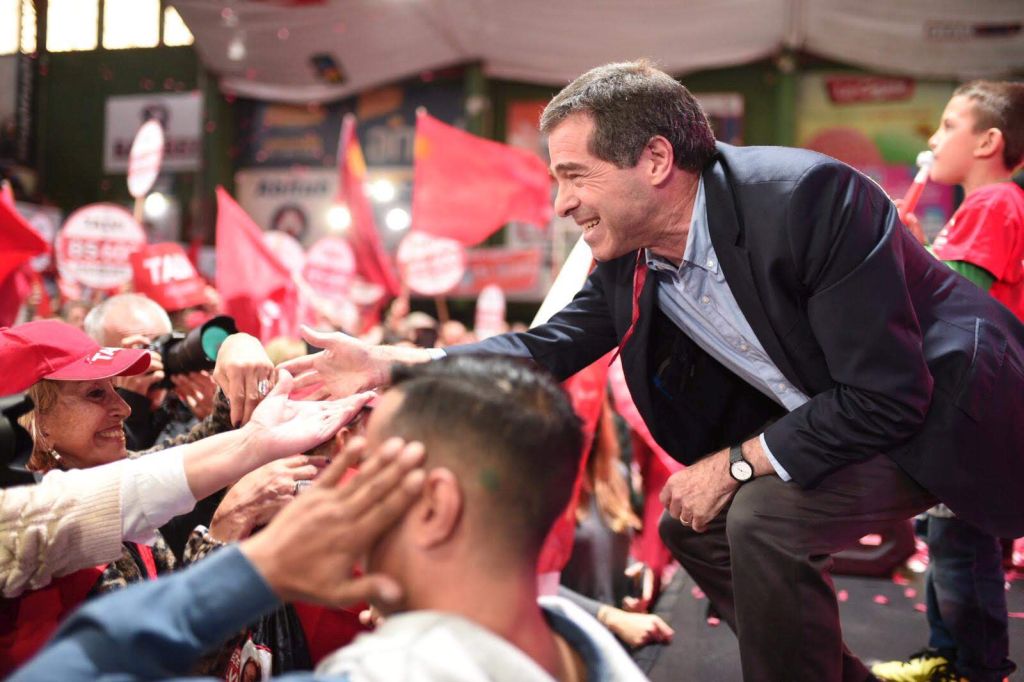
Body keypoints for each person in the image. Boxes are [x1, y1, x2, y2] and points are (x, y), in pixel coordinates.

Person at [281, 61, 1024, 681]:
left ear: (657, 161)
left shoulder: (808, 200)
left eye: (575, 175)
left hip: (941, 413)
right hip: (841, 418)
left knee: (759, 511)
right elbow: (543, 348)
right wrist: (389, 366)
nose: (562, 202)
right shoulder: (625, 258)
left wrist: (736, 465)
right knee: (688, 519)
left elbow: (886, 395)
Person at [14, 356, 646, 681]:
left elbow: (80, 666)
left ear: (433, 506)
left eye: (366, 456)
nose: (342, 468)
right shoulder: (574, 644)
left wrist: (249, 570)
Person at [0, 319, 371, 672]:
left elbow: (210, 443)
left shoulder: (122, 470)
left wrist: (235, 346)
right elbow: (164, 661)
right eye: (96, 393)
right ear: (33, 421)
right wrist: (226, 526)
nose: (124, 408)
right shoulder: (25, 533)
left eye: (115, 388)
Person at [872, 81, 1024, 682]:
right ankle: (949, 654)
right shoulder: (991, 206)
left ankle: (975, 666)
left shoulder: (992, 205)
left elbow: (962, 301)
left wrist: (904, 255)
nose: (934, 140)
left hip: (977, 406)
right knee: (951, 539)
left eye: (949, 125)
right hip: (981, 404)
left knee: (962, 544)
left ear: (988, 141)